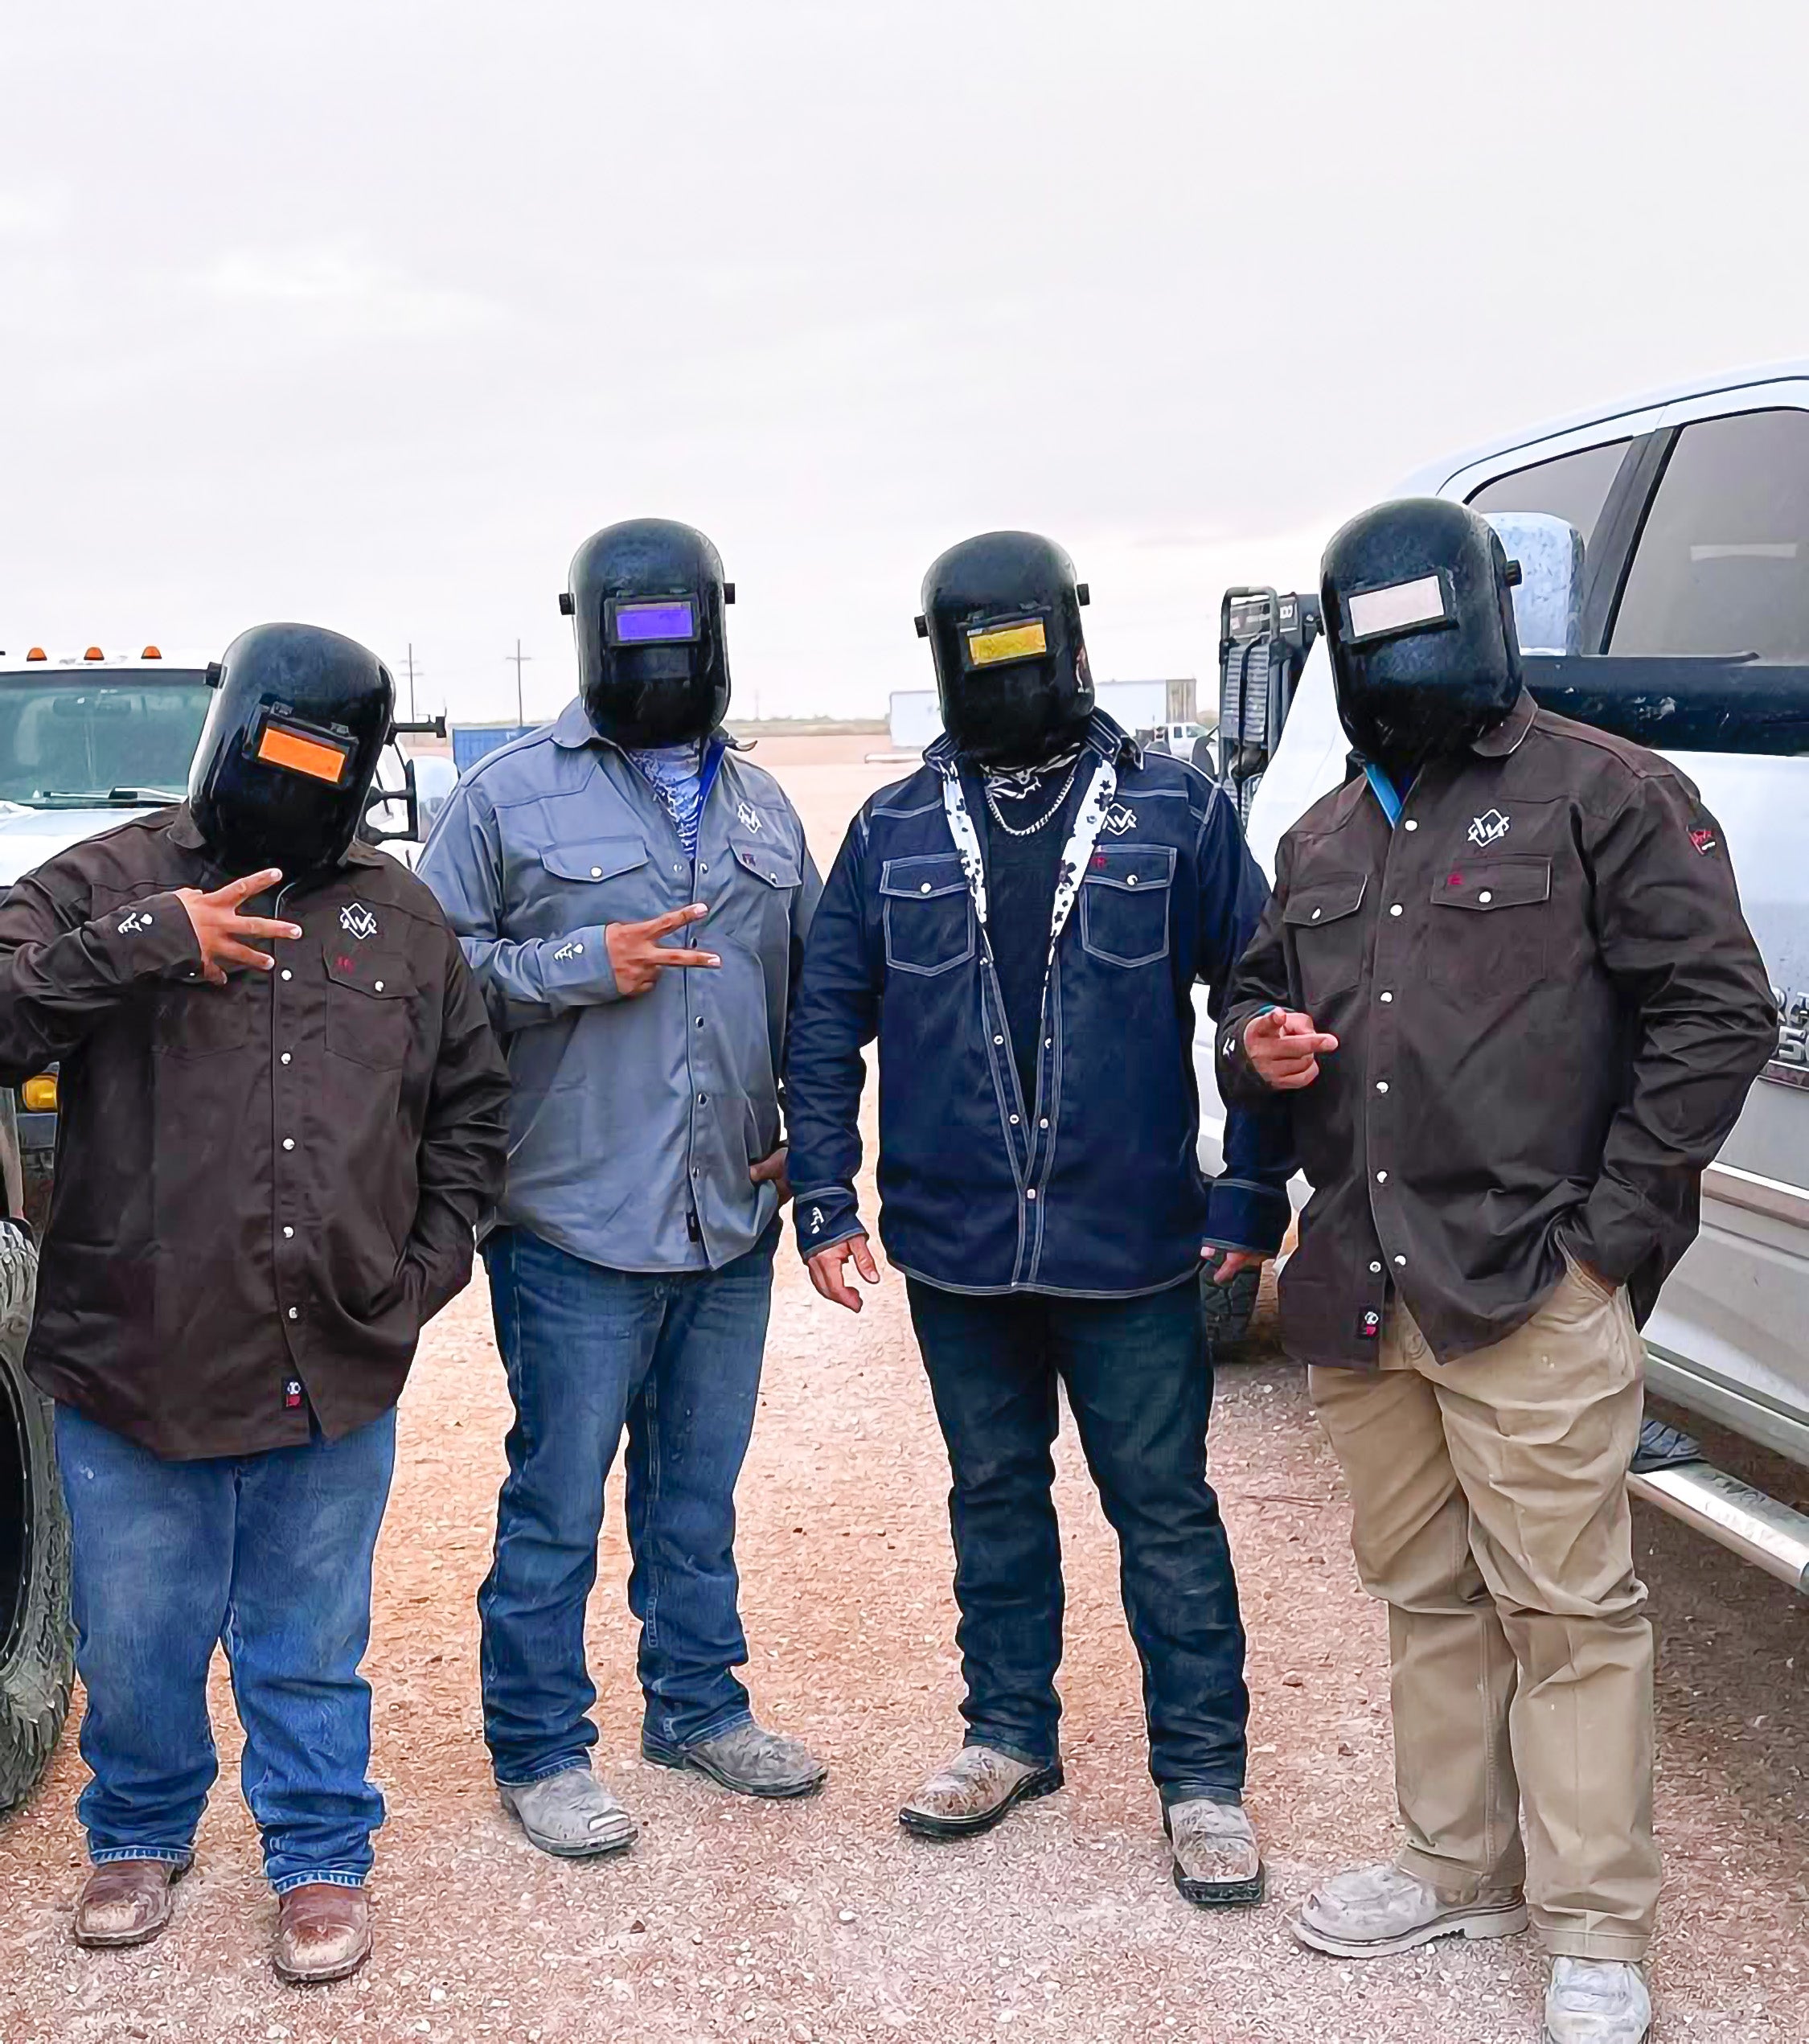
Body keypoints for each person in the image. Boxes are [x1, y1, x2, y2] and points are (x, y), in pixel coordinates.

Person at [1216, 499, 1776, 2044]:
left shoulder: (1603, 791)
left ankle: (1595, 1925)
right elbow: (1257, 1014)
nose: (1399, 649)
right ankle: (1452, 1859)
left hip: (1529, 1284)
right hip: (1364, 1284)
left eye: (1421, 615)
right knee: (1424, 1594)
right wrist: (1256, 1052)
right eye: (1368, 625)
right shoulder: (1319, 836)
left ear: (1483, 609)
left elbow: (1716, 1013)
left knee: (1569, 1609)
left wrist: (1607, 1245)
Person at [784, 531, 1294, 1902]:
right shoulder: (891, 829)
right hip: (958, 1249)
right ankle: (1007, 1731)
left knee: (1163, 1507)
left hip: (1129, 1244)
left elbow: (1257, 1006)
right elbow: (827, 1017)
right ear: (939, 652)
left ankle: (1200, 1778)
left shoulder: (1175, 812)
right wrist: (824, 1195)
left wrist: (1247, 1192)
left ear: (1071, 632)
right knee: (993, 1494)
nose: (1006, 668)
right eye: (977, 647)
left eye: (1026, 639)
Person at [0, 624, 509, 1984]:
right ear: (227, 730)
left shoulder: (398, 916)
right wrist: (150, 942)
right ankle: (140, 1831)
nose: (299, 780)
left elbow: (471, 1106)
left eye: (327, 762)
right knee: (139, 1634)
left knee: (308, 1638)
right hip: (137, 1359)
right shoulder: (106, 880)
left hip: (332, 1355)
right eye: (278, 746)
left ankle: (321, 1853)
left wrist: (421, 1275)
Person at [420, 517, 827, 1860]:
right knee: (558, 1496)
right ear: (590, 623)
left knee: (696, 1495)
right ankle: (539, 1745)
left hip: (727, 1222)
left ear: (716, 616)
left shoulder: (763, 806)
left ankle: (697, 1708)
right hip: (572, 1227)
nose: (662, 646)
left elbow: (821, 995)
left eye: (683, 621)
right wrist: (582, 961)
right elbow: (433, 986)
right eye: (634, 624)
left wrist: (815, 1138)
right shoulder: (503, 798)